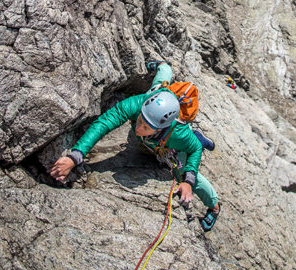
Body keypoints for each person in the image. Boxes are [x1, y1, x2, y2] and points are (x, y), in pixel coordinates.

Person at [49, 60, 221, 231]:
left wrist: (188, 182)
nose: (138, 128)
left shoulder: (178, 134)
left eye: (146, 127)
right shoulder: (140, 104)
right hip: (157, 104)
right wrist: (75, 156)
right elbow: (104, 123)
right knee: (158, 85)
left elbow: (195, 150)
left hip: (178, 140)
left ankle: (214, 207)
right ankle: (164, 66)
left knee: (188, 172)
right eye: (139, 121)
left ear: (161, 128)